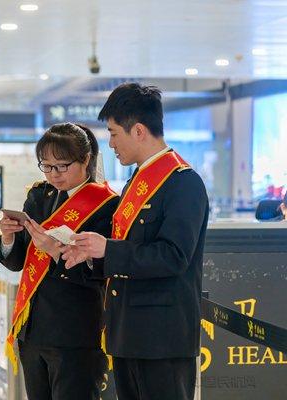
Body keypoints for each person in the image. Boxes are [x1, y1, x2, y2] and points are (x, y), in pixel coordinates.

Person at [60, 83, 209, 400]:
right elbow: (126, 252)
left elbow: (173, 256)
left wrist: (107, 249)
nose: (111, 143)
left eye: (114, 133)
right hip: (127, 333)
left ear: (139, 131)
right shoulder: (135, 183)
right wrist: (90, 255)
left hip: (162, 339)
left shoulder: (183, 183)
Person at [0, 123, 119, 400]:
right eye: (46, 166)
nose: (53, 175)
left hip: (75, 332)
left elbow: (101, 272)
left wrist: (55, 252)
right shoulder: (39, 196)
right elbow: (19, 262)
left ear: (86, 160)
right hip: (33, 331)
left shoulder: (108, 205)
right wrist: (7, 239)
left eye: (61, 166)